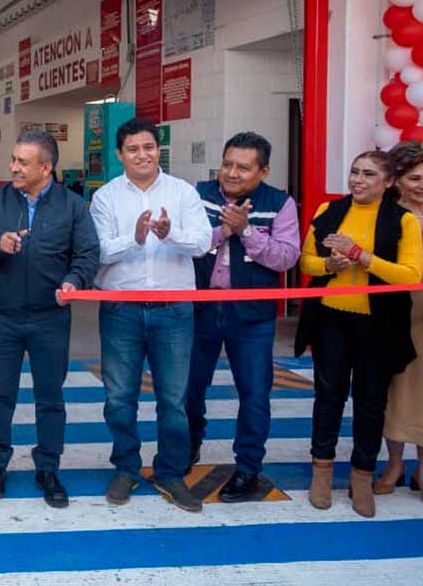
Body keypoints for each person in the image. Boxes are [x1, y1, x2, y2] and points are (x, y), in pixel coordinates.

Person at [0, 130, 99, 506]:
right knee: (0, 394)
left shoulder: (72, 207)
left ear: (46, 167)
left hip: (50, 318)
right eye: (13, 159)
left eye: (22, 163)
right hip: (4, 317)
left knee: (50, 397)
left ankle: (48, 467)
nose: (13, 167)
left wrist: (74, 281)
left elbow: (88, 253)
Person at [90, 117, 212, 513]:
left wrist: (167, 234)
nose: (142, 155)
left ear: (158, 150)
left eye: (148, 147)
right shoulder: (106, 198)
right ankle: (126, 467)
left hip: (174, 312)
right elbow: (99, 252)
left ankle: (171, 472)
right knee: (119, 398)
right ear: (120, 154)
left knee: (173, 399)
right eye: (133, 149)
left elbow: (201, 243)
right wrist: (136, 238)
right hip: (121, 310)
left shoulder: (182, 193)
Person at [298, 150, 422, 517]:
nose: (358, 180)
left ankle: (362, 476)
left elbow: (411, 274)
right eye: (354, 172)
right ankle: (321, 472)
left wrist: (362, 256)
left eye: (369, 174)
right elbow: (306, 262)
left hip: (380, 326)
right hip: (332, 320)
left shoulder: (404, 221)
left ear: (388, 182)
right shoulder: (328, 211)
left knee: (371, 403)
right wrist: (329, 263)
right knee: (329, 397)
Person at [184, 132, 300, 502]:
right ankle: (189, 445)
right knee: (188, 388)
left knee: (254, 394)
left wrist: (247, 231)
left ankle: (248, 468)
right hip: (199, 309)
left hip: (251, 317)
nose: (231, 173)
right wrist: (223, 230)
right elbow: (186, 243)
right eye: (227, 164)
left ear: (263, 171)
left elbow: (285, 258)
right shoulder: (197, 195)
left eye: (243, 168)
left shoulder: (280, 204)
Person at [376, 141, 423, 498]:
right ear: (396, 181)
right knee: (396, 389)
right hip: (395, 312)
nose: (421, 185)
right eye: (415, 178)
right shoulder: (385, 216)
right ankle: (394, 463)